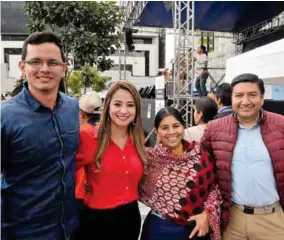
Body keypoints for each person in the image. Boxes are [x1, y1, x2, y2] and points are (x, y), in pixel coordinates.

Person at [1, 31, 79, 239]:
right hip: (23, 232)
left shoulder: (72, 108)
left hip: (68, 229)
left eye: (53, 62)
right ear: (22, 67)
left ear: (63, 68)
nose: (44, 69)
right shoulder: (5, 116)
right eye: (36, 61)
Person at [201, 73, 284, 239]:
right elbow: (202, 169)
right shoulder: (214, 129)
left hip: (273, 220)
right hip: (232, 220)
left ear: (262, 98)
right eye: (239, 95)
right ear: (232, 98)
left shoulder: (281, 125)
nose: (245, 101)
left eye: (252, 95)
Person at [75, 80, 147, 240]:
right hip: (97, 222)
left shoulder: (138, 139)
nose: (124, 110)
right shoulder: (88, 138)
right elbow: (63, 173)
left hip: (130, 218)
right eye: (117, 104)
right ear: (107, 107)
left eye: (130, 105)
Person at [139, 107, 222, 240]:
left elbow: (214, 188)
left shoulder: (200, 154)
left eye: (176, 126)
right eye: (164, 127)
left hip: (196, 229)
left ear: (183, 127)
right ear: (157, 132)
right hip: (160, 229)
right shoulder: (149, 159)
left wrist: (207, 214)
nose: (171, 132)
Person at [73, 91, 102, 239]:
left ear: (81, 114)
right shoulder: (112, 132)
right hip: (107, 200)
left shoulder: (78, 133)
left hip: (80, 196)